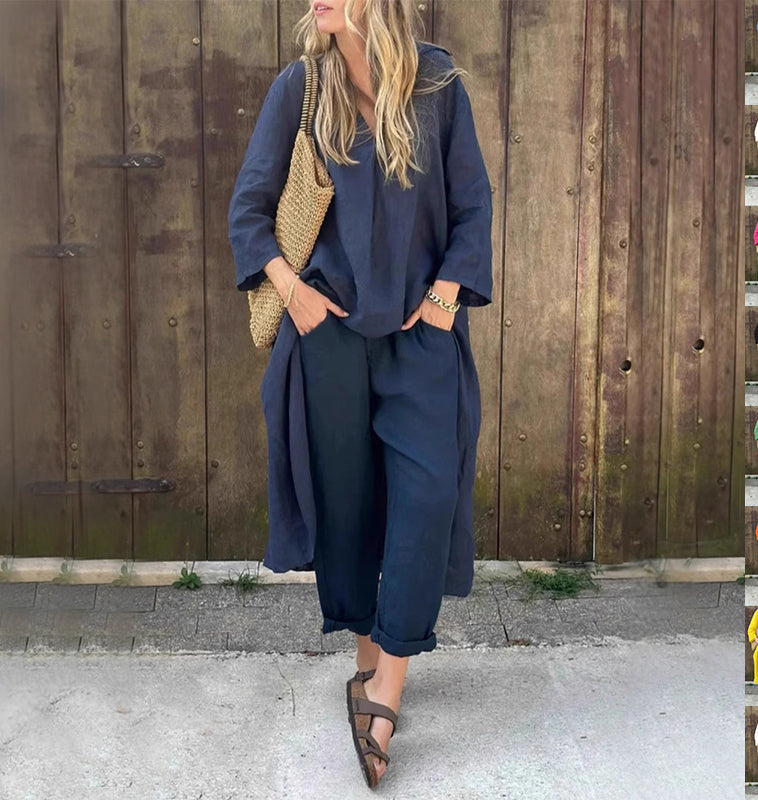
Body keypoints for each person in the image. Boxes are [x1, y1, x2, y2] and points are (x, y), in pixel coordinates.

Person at [227, 0, 492, 789]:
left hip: (420, 337)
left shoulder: (436, 84)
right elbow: (248, 212)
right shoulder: (302, 88)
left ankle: (386, 691)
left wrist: (445, 295)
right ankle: (368, 662)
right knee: (348, 505)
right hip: (331, 337)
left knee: (427, 495)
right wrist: (294, 293)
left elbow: (473, 205)